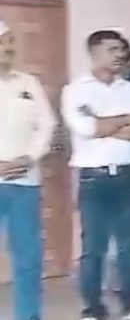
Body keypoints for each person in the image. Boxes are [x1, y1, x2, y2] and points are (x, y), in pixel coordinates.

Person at [61, 29, 130, 320]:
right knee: (93, 248)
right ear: (94, 53)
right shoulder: (76, 90)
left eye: (121, 49)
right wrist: (127, 119)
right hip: (95, 178)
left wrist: (105, 126)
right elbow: (87, 128)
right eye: (112, 49)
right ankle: (93, 309)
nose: (120, 55)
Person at [0, 21, 56, 320]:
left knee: (28, 258)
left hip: (24, 182)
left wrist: (28, 158)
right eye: (2, 42)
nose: (8, 48)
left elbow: (47, 125)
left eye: (10, 42)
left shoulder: (28, 83)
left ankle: (28, 315)